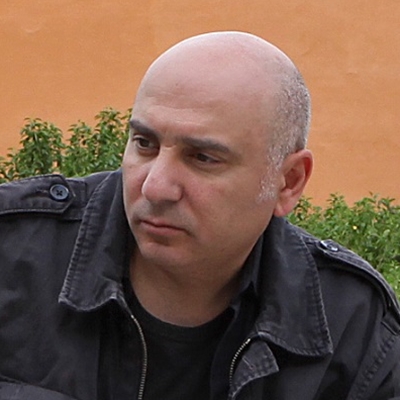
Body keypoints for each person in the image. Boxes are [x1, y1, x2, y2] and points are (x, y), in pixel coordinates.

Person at [0, 31, 399, 400]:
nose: (156, 187)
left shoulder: (354, 329)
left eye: (203, 158)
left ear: (288, 182)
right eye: (145, 143)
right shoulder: (12, 255)